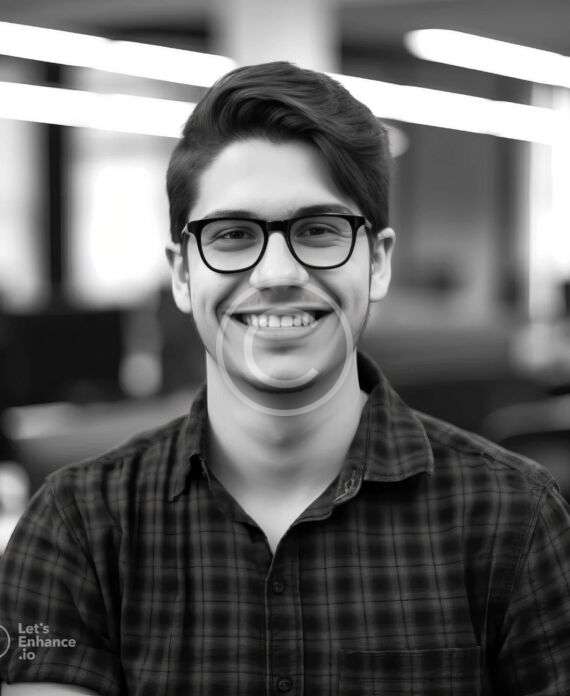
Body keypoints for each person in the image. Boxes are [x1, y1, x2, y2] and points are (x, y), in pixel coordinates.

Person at [1, 61, 569, 696]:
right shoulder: (78, 526)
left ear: (377, 263)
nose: (276, 273)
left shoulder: (514, 519)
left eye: (319, 231)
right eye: (233, 234)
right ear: (183, 275)